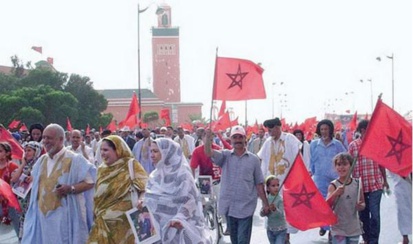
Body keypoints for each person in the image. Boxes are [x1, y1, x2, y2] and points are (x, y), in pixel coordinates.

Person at [21, 123, 96, 244]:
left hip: (64, 218)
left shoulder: (75, 159)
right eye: (44, 137)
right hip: (42, 218)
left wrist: (71, 188)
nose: (45, 141)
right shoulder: (41, 160)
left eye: (49, 138)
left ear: (61, 139)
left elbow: (91, 182)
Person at [206, 126, 270, 244]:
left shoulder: (254, 159)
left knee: (242, 241)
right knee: (234, 240)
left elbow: (259, 184)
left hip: (246, 207)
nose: (238, 140)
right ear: (231, 139)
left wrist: (265, 204)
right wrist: (208, 139)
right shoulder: (225, 156)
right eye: (235, 137)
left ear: (245, 139)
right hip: (229, 207)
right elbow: (209, 152)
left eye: (240, 137)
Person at [144, 138, 211, 243]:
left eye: (156, 151)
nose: (152, 155)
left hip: (179, 232)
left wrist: (179, 218)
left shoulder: (183, 176)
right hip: (158, 233)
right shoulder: (154, 176)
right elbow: (148, 199)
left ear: (168, 152)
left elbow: (190, 201)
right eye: (151, 151)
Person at [88, 135, 148, 244]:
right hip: (102, 222)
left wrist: (142, 199)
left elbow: (145, 186)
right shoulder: (101, 169)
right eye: (101, 150)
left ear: (118, 150)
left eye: (106, 150)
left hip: (125, 224)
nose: (102, 153)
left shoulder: (130, 165)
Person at [257, 118, 301, 244]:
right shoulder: (267, 142)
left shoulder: (290, 139)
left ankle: (285, 239)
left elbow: (299, 161)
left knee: (286, 217)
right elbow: (262, 162)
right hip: (271, 187)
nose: (269, 131)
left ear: (278, 127)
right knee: (271, 215)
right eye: (267, 129)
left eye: (271, 128)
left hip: (288, 185)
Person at [348, 120, 388, 244]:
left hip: (376, 185)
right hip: (360, 187)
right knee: (363, 216)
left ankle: (374, 241)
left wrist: (385, 180)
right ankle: (366, 239)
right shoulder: (353, 146)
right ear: (363, 130)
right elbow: (349, 165)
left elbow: (381, 164)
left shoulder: (377, 145)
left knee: (375, 215)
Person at [310, 119, 346, 238]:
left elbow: (345, 158)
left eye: (326, 129)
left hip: (335, 178)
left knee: (335, 203)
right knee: (323, 204)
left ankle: (332, 229)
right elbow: (311, 161)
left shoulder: (337, 145)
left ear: (330, 130)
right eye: (322, 129)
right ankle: (324, 225)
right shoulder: (314, 144)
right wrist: (311, 173)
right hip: (320, 179)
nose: (324, 131)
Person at [326, 152, 365, 244]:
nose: (341, 167)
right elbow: (327, 204)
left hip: (353, 228)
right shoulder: (333, 185)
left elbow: (362, 203)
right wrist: (335, 193)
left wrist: (360, 205)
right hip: (338, 228)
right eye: (339, 164)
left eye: (345, 164)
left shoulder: (357, 183)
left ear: (351, 166)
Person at [10, 141, 42, 240]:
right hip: (23, 205)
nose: (26, 153)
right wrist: (23, 164)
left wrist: (34, 178)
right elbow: (14, 179)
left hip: (36, 203)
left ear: (36, 152)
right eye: (25, 151)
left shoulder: (41, 166)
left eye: (29, 150)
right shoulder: (23, 166)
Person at [262, 175, 287, 244]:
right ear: (268, 188)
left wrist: (275, 209)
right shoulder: (266, 199)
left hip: (281, 229)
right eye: (273, 186)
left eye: (277, 185)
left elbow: (281, 214)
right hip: (270, 229)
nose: (276, 187)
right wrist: (264, 211)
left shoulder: (280, 199)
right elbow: (262, 214)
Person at [0, 142, 19, 227]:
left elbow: (18, 185)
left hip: (10, 201)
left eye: (0, 151)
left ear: (7, 153)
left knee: (17, 226)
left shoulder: (13, 167)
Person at [389, 172, 412, 244]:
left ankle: (405, 237)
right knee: (403, 211)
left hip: (402, 185)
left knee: (403, 211)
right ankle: (405, 237)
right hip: (401, 186)